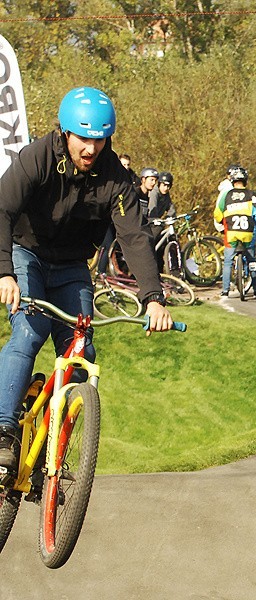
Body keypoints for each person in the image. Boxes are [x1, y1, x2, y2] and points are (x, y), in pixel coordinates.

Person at [0, 86, 174, 469]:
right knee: (29, 333)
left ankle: (54, 451)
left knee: (82, 353)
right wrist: (5, 273)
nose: (90, 149)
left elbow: (134, 235)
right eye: (83, 138)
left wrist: (153, 297)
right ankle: (4, 431)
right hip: (26, 254)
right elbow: (3, 209)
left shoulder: (116, 178)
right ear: (65, 133)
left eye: (99, 139)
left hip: (72, 267)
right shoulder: (38, 157)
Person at [214, 166, 256, 299]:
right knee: (251, 261)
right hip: (248, 234)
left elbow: (217, 213)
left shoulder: (226, 195)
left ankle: (225, 291)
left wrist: (222, 221)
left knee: (227, 262)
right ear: (245, 180)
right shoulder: (251, 195)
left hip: (231, 233)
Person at [95, 165, 158, 275]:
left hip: (131, 226)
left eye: (155, 180)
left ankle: (129, 274)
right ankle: (100, 274)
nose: (153, 183)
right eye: (151, 180)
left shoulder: (146, 196)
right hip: (112, 223)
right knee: (108, 246)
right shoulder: (135, 193)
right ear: (143, 179)